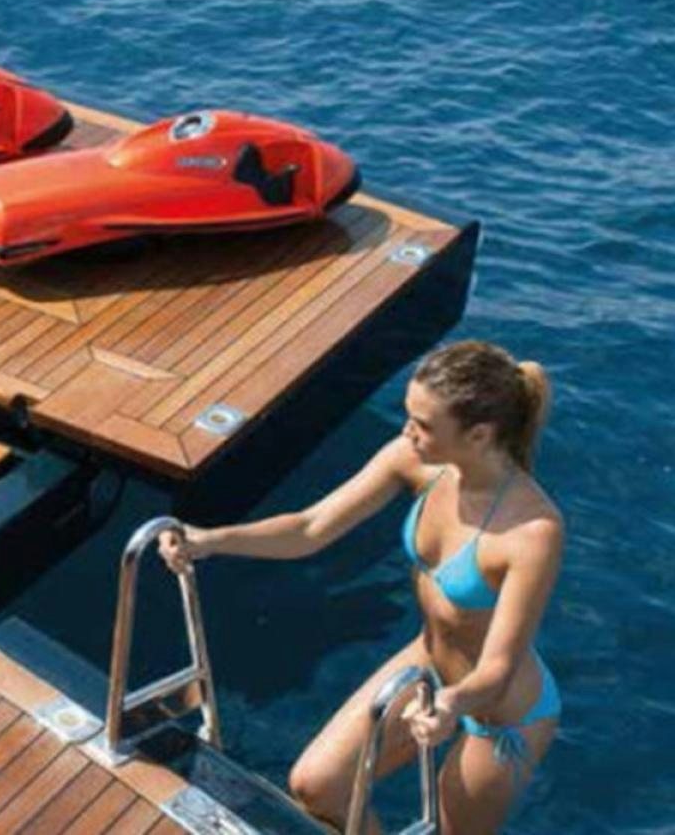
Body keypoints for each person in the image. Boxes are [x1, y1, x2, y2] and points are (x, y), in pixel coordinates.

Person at [159, 341, 563, 833]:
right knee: (318, 786)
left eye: (423, 424)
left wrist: (453, 704)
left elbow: (499, 669)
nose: (407, 431)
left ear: (479, 435)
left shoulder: (533, 531)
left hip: (502, 714)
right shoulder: (414, 461)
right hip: (429, 668)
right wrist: (209, 541)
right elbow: (310, 528)